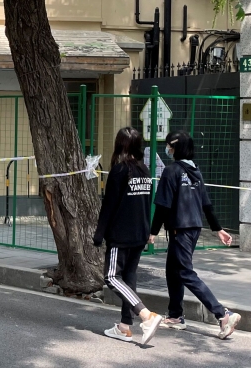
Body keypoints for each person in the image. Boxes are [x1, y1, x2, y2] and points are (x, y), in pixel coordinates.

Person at [150, 131, 240, 339]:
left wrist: (152, 232)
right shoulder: (195, 171)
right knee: (173, 271)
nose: (167, 150)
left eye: (168, 146)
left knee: (184, 272)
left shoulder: (171, 171)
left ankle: (223, 314)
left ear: (174, 148)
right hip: (194, 228)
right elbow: (206, 205)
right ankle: (175, 316)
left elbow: (162, 206)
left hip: (179, 229)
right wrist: (217, 229)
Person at [93, 127, 163, 344]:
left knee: (112, 277)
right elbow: (145, 203)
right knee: (129, 278)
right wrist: (149, 230)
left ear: (120, 145)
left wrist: (99, 234)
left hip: (121, 235)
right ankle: (124, 326)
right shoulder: (144, 170)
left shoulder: (120, 170)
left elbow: (108, 206)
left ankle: (146, 315)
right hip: (139, 234)